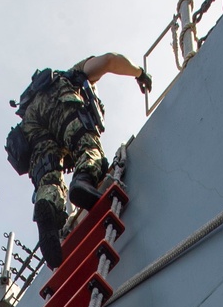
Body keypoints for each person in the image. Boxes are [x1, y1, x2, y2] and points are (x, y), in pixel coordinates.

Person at [9, 54, 152, 268]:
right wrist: (140, 73)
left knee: (48, 176)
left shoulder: (30, 106)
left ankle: (47, 206)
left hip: (29, 124)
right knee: (87, 146)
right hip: (57, 100)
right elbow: (109, 61)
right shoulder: (72, 75)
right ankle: (83, 181)